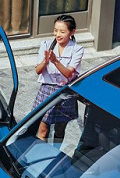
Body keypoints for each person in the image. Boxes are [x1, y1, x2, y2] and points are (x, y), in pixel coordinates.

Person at [33, 14, 84, 142]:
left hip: (65, 92)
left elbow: (68, 73)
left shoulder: (77, 49)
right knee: (43, 131)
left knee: (60, 130)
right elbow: (38, 71)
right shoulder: (46, 45)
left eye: (62, 31)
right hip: (46, 91)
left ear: (72, 32)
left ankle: (56, 151)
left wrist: (55, 61)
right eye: (55, 30)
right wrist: (45, 61)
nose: (57, 34)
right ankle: (42, 153)